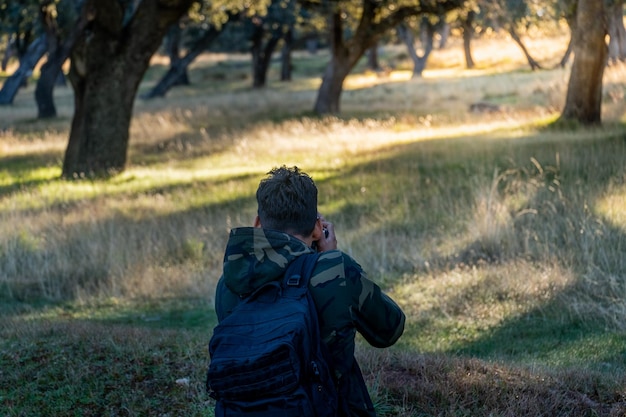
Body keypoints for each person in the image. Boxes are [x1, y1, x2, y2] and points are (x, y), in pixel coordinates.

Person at [214, 165, 406, 417]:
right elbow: (390, 329)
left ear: (258, 224)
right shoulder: (335, 270)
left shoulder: (229, 283)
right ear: (317, 228)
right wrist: (332, 258)